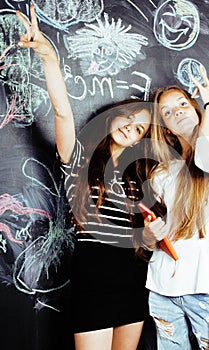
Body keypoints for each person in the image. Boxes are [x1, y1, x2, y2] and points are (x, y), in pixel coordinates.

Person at [16, 6, 156, 350]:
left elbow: (147, 236)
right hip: (93, 278)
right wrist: (49, 57)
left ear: (141, 139)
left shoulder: (141, 178)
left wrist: (150, 235)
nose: (130, 127)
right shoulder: (79, 159)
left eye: (140, 128)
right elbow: (62, 109)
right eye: (127, 118)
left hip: (134, 280)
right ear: (112, 118)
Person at [141, 67, 209, 349]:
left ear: (197, 109)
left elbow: (206, 160)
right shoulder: (163, 173)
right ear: (166, 128)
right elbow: (152, 241)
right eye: (167, 113)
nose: (177, 113)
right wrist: (151, 235)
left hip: (206, 287)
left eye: (183, 105)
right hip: (163, 288)